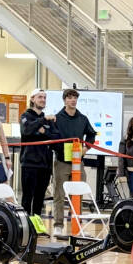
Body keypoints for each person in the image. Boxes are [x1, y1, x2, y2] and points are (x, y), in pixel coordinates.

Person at [51, 88, 96, 237]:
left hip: (78, 163)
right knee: (59, 194)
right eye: (69, 97)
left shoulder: (82, 118)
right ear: (64, 100)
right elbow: (53, 140)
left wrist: (85, 148)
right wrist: (62, 150)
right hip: (62, 162)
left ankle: (77, 225)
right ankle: (58, 225)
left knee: (78, 194)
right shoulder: (57, 118)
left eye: (75, 97)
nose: (72, 100)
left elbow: (91, 134)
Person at [19, 88, 56, 219]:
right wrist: (41, 122)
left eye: (45, 97)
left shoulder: (48, 119)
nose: (43, 100)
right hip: (29, 163)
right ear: (32, 99)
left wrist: (43, 132)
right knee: (28, 197)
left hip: (45, 164)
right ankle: (25, 225)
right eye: (40, 97)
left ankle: (36, 226)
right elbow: (27, 130)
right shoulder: (25, 116)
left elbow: (55, 137)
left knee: (40, 198)